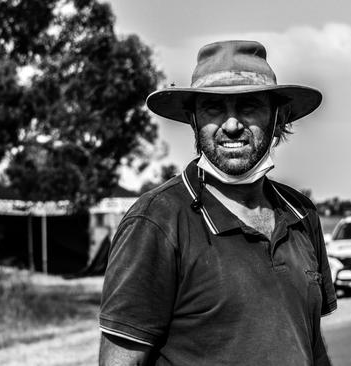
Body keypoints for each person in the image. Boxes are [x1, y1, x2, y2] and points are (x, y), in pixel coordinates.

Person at [98, 40, 337, 365]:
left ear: (278, 116)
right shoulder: (158, 221)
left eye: (249, 106)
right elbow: (121, 360)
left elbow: (311, 344)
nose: (232, 124)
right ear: (194, 120)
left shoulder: (300, 213)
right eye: (214, 108)